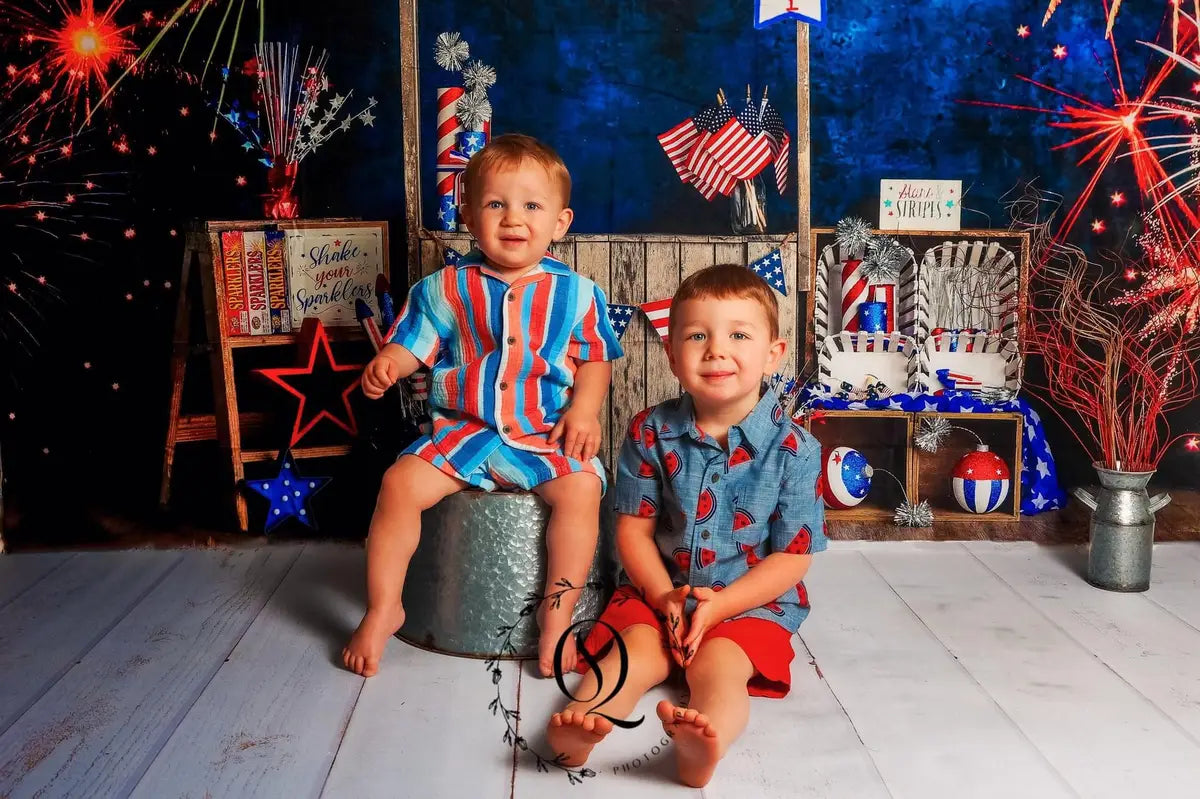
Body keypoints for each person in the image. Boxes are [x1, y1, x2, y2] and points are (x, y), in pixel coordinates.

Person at [343, 134, 624, 679]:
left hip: (544, 433)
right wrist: (391, 364)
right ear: (469, 215)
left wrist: (584, 411)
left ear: (560, 223)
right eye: (496, 204)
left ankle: (557, 617)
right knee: (398, 486)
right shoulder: (445, 287)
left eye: (531, 206)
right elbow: (414, 342)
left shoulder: (578, 294)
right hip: (462, 434)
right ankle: (384, 606)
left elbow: (595, 360)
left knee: (582, 490)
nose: (513, 218)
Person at [546, 263, 826, 788]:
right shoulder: (651, 431)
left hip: (748, 601)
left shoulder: (795, 449)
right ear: (672, 356)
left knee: (719, 669)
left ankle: (706, 739)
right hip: (662, 589)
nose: (716, 350)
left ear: (773, 353)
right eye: (697, 336)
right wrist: (662, 596)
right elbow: (633, 530)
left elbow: (793, 555)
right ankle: (588, 719)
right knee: (633, 651)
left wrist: (720, 606)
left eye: (738, 335)